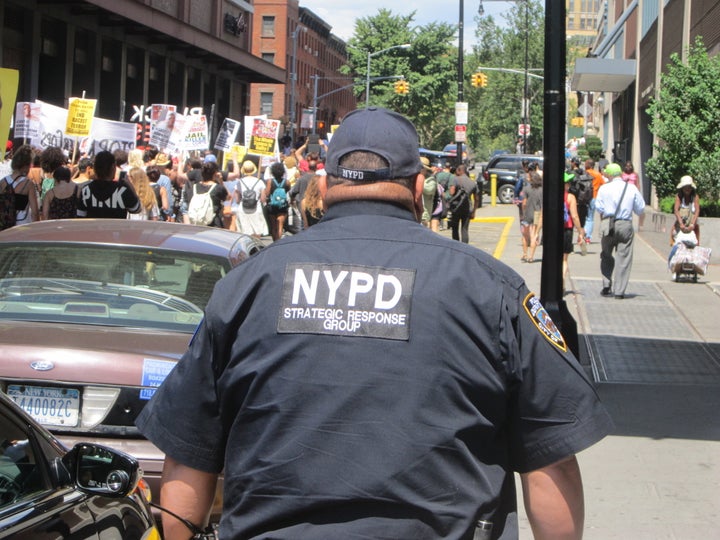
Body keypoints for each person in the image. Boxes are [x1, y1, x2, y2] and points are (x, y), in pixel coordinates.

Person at [136, 107, 612, 540]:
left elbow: (188, 456)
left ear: (323, 187)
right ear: (418, 188)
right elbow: (552, 456)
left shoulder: (247, 285)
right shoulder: (492, 288)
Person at [595, 162, 646, 299]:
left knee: (606, 254)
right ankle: (619, 291)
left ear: (609, 175)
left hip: (608, 223)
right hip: (625, 225)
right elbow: (640, 209)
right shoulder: (631, 188)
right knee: (623, 258)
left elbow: (598, 207)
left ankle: (606, 285)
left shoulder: (604, 189)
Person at [77, 150, 142, 218]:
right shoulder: (122, 191)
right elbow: (136, 209)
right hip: (116, 228)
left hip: (93, 228)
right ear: (113, 167)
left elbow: (80, 216)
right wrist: (130, 185)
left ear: (95, 168)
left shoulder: (86, 191)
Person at [0, 144, 39, 225]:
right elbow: (34, 212)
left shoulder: (3, 182)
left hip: (4, 223)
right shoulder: (28, 184)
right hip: (22, 223)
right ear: (26, 165)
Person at [231, 160, 268, 238]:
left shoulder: (239, 182)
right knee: (257, 233)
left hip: (243, 210)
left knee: (244, 234)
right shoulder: (260, 182)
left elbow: (237, 200)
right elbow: (263, 199)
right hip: (256, 209)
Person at [563, 170, 585, 290]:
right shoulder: (570, 197)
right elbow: (575, 216)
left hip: (552, 232)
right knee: (564, 259)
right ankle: (562, 282)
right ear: (566, 185)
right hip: (567, 230)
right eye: (568, 183)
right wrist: (580, 231)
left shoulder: (551, 195)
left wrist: (537, 232)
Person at [448, 163, 478, 243]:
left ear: (459, 170)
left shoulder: (455, 179)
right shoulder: (472, 183)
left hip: (456, 208)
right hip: (467, 209)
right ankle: (465, 247)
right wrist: (474, 212)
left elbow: (451, 192)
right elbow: (476, 199)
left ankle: (456, 246)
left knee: (455, 229)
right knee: (464, 230)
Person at [671, 175, 700, 245]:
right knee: (676, 244)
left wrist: (692, 224)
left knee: (694, 245)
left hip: (692, 227)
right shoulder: (679, 196)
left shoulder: (695, 197)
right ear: (682, 188)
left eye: (689, 187)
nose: (687, 189)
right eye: (685, 187)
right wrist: (681, 223)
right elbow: (676, 210)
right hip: (680, 226)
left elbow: (697, 211)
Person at [264, 161, 289, 241]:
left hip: (272, 205)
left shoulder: (270, 181)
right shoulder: (287, 182)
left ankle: (275, 241)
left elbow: (267, 194)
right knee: (280, 225)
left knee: (274, 225)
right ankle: (279, 241)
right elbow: (288, 191)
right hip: (282, 205)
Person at [521, 170, 543, 263]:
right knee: (534, 235)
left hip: (528, 213)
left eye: (528, 177)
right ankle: (531, 257)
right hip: (537, 213)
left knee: (525, 235)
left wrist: (523, 212)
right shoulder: (542, 189)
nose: (527, 177)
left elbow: (524, 203)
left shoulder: (526, 188)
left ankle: (525, 254)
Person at [583, 158, 605, 244]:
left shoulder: (584, 173)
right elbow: (604, 185)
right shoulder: (598, 175)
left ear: (588, 165)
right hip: (593, 197)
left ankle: (582, 234)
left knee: (582, 216)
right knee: (590, 218)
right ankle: (588, 237)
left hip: (583, 197)